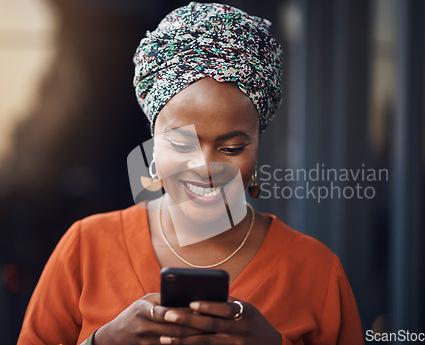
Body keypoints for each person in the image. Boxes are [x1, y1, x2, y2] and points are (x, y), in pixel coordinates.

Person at [17, 3, 364, 344]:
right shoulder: (85, 250)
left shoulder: (316, 271)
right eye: (182, 145)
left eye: (231, 149)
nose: (204, 168)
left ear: (258, 146)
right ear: (153, 145)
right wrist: (101, 341)